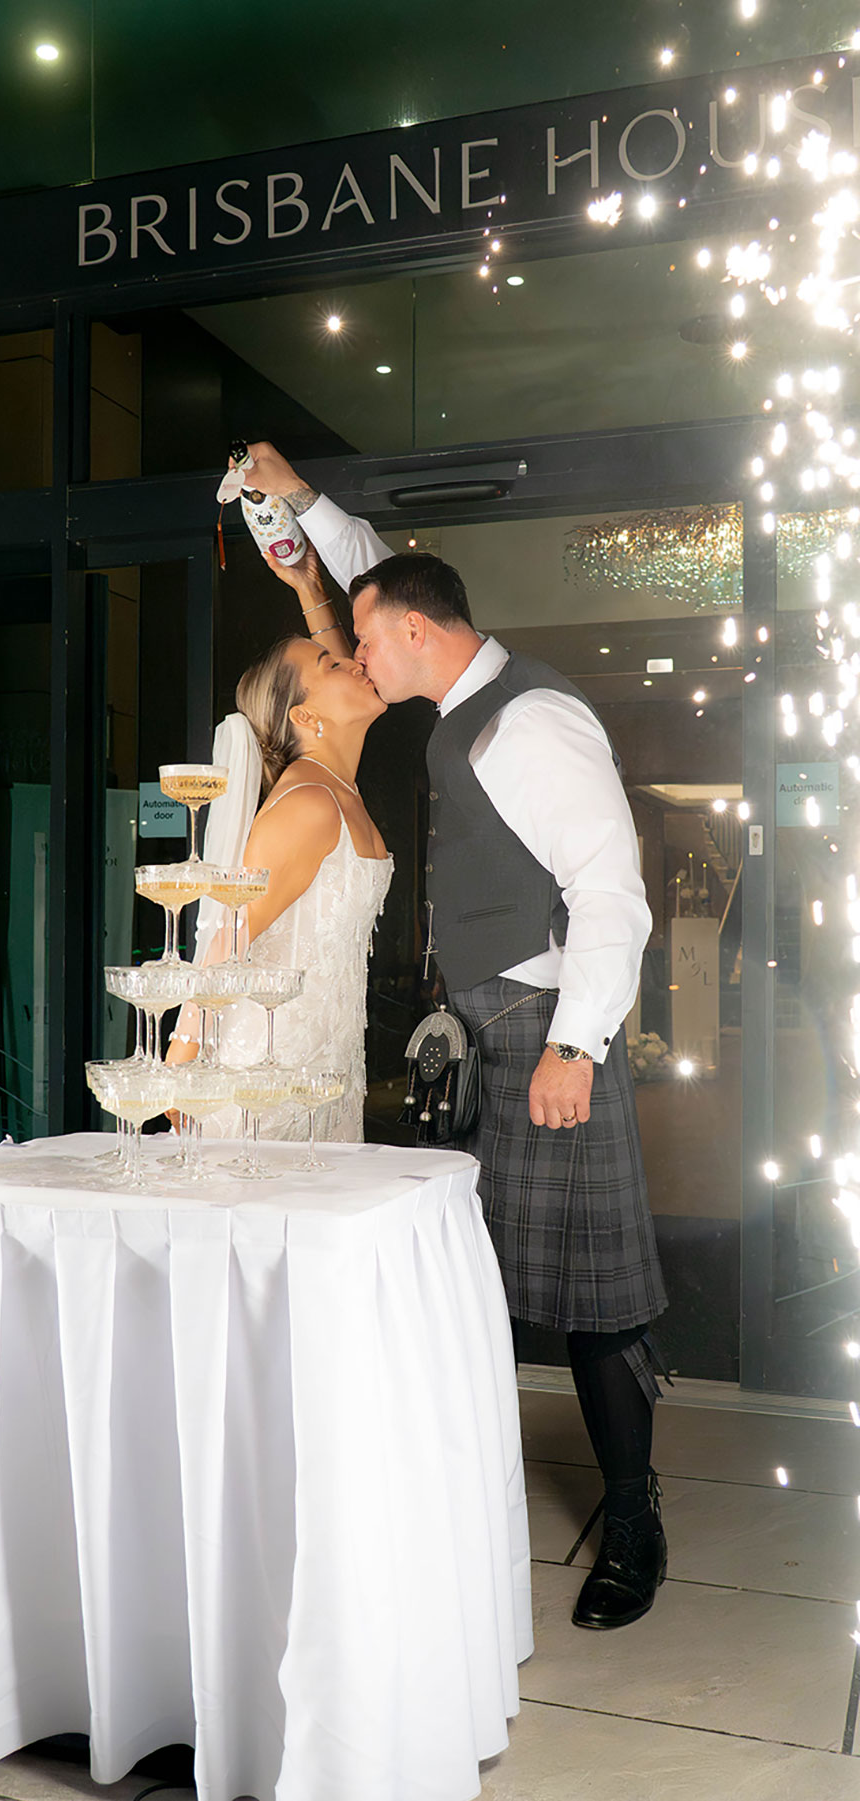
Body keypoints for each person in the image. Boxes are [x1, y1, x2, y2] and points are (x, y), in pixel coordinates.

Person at [237, 440, 668, 1632]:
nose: (356, 655)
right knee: (468, 1282)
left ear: (419, 638)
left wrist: (577, 1046)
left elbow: (612, 892)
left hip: (546, 1028)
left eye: (367, 642)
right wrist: (305, 501)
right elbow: (382, 579)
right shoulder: (447, 671)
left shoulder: (533, 722)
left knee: (594, 1295)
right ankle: (456, 1506)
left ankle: (633, 1517)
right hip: (480, 1028)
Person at [169, 542, 391, 1141]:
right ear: (306, 719)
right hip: (265, 1081)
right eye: (330, 664)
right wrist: (177, 1067)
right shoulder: (311, 805)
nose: (354, 662)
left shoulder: (338, 783)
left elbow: (350, 677)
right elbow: (225, 943)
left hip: (328, 1070)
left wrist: (309, 588)